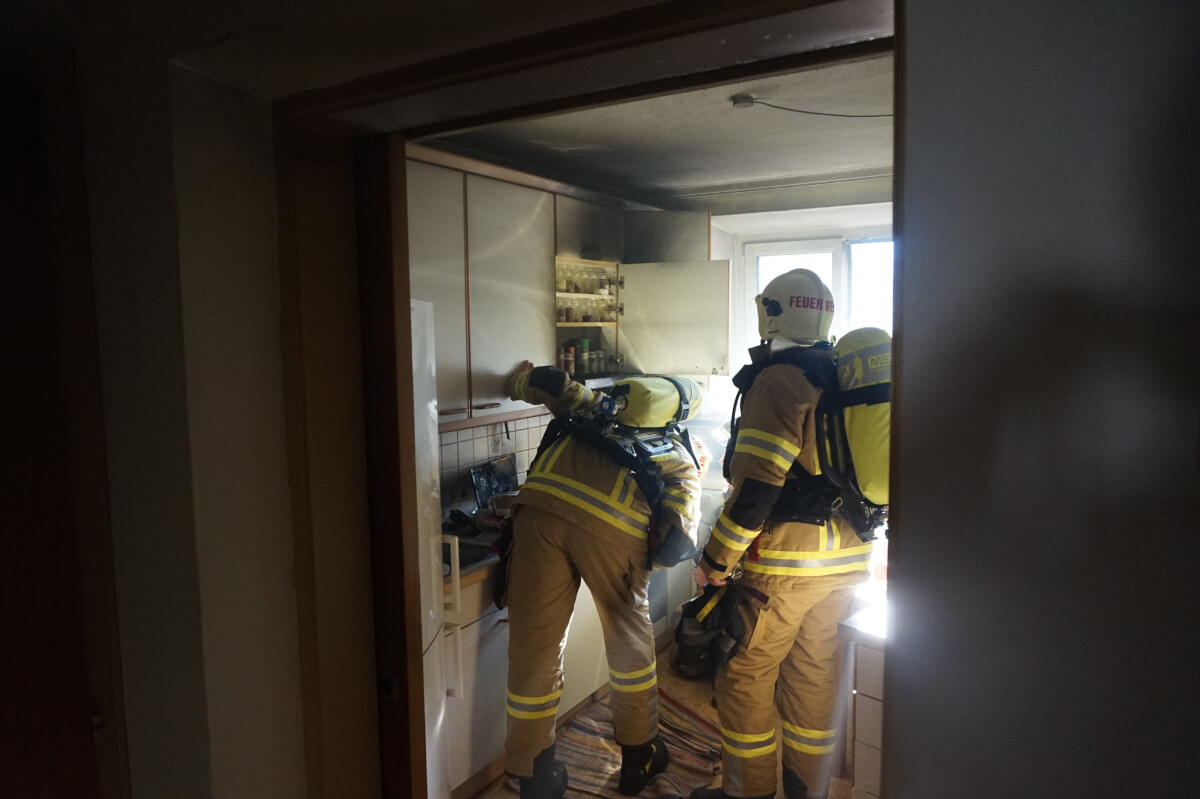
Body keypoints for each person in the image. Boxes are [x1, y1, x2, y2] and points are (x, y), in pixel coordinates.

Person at [690, 269, 873, 799]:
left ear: (770, 313)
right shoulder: (841, 374)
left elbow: (756, 488)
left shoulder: (779, 380)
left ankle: (746, 793)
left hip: (783, 567)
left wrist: (716, 562)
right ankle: (807, 791)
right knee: (813, 678)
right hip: (846, 561)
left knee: (743, 675)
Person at [503, 361, 704, 799]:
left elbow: (542, 384)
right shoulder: (676, 450)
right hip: (612, 528)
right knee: (629, 643)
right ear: (677, 413)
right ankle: (639, 756)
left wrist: (517, 381)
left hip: (537, 510)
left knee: (535, 649)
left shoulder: (588, 412)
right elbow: (677, 542)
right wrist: (646, 564)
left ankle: (534, 772)